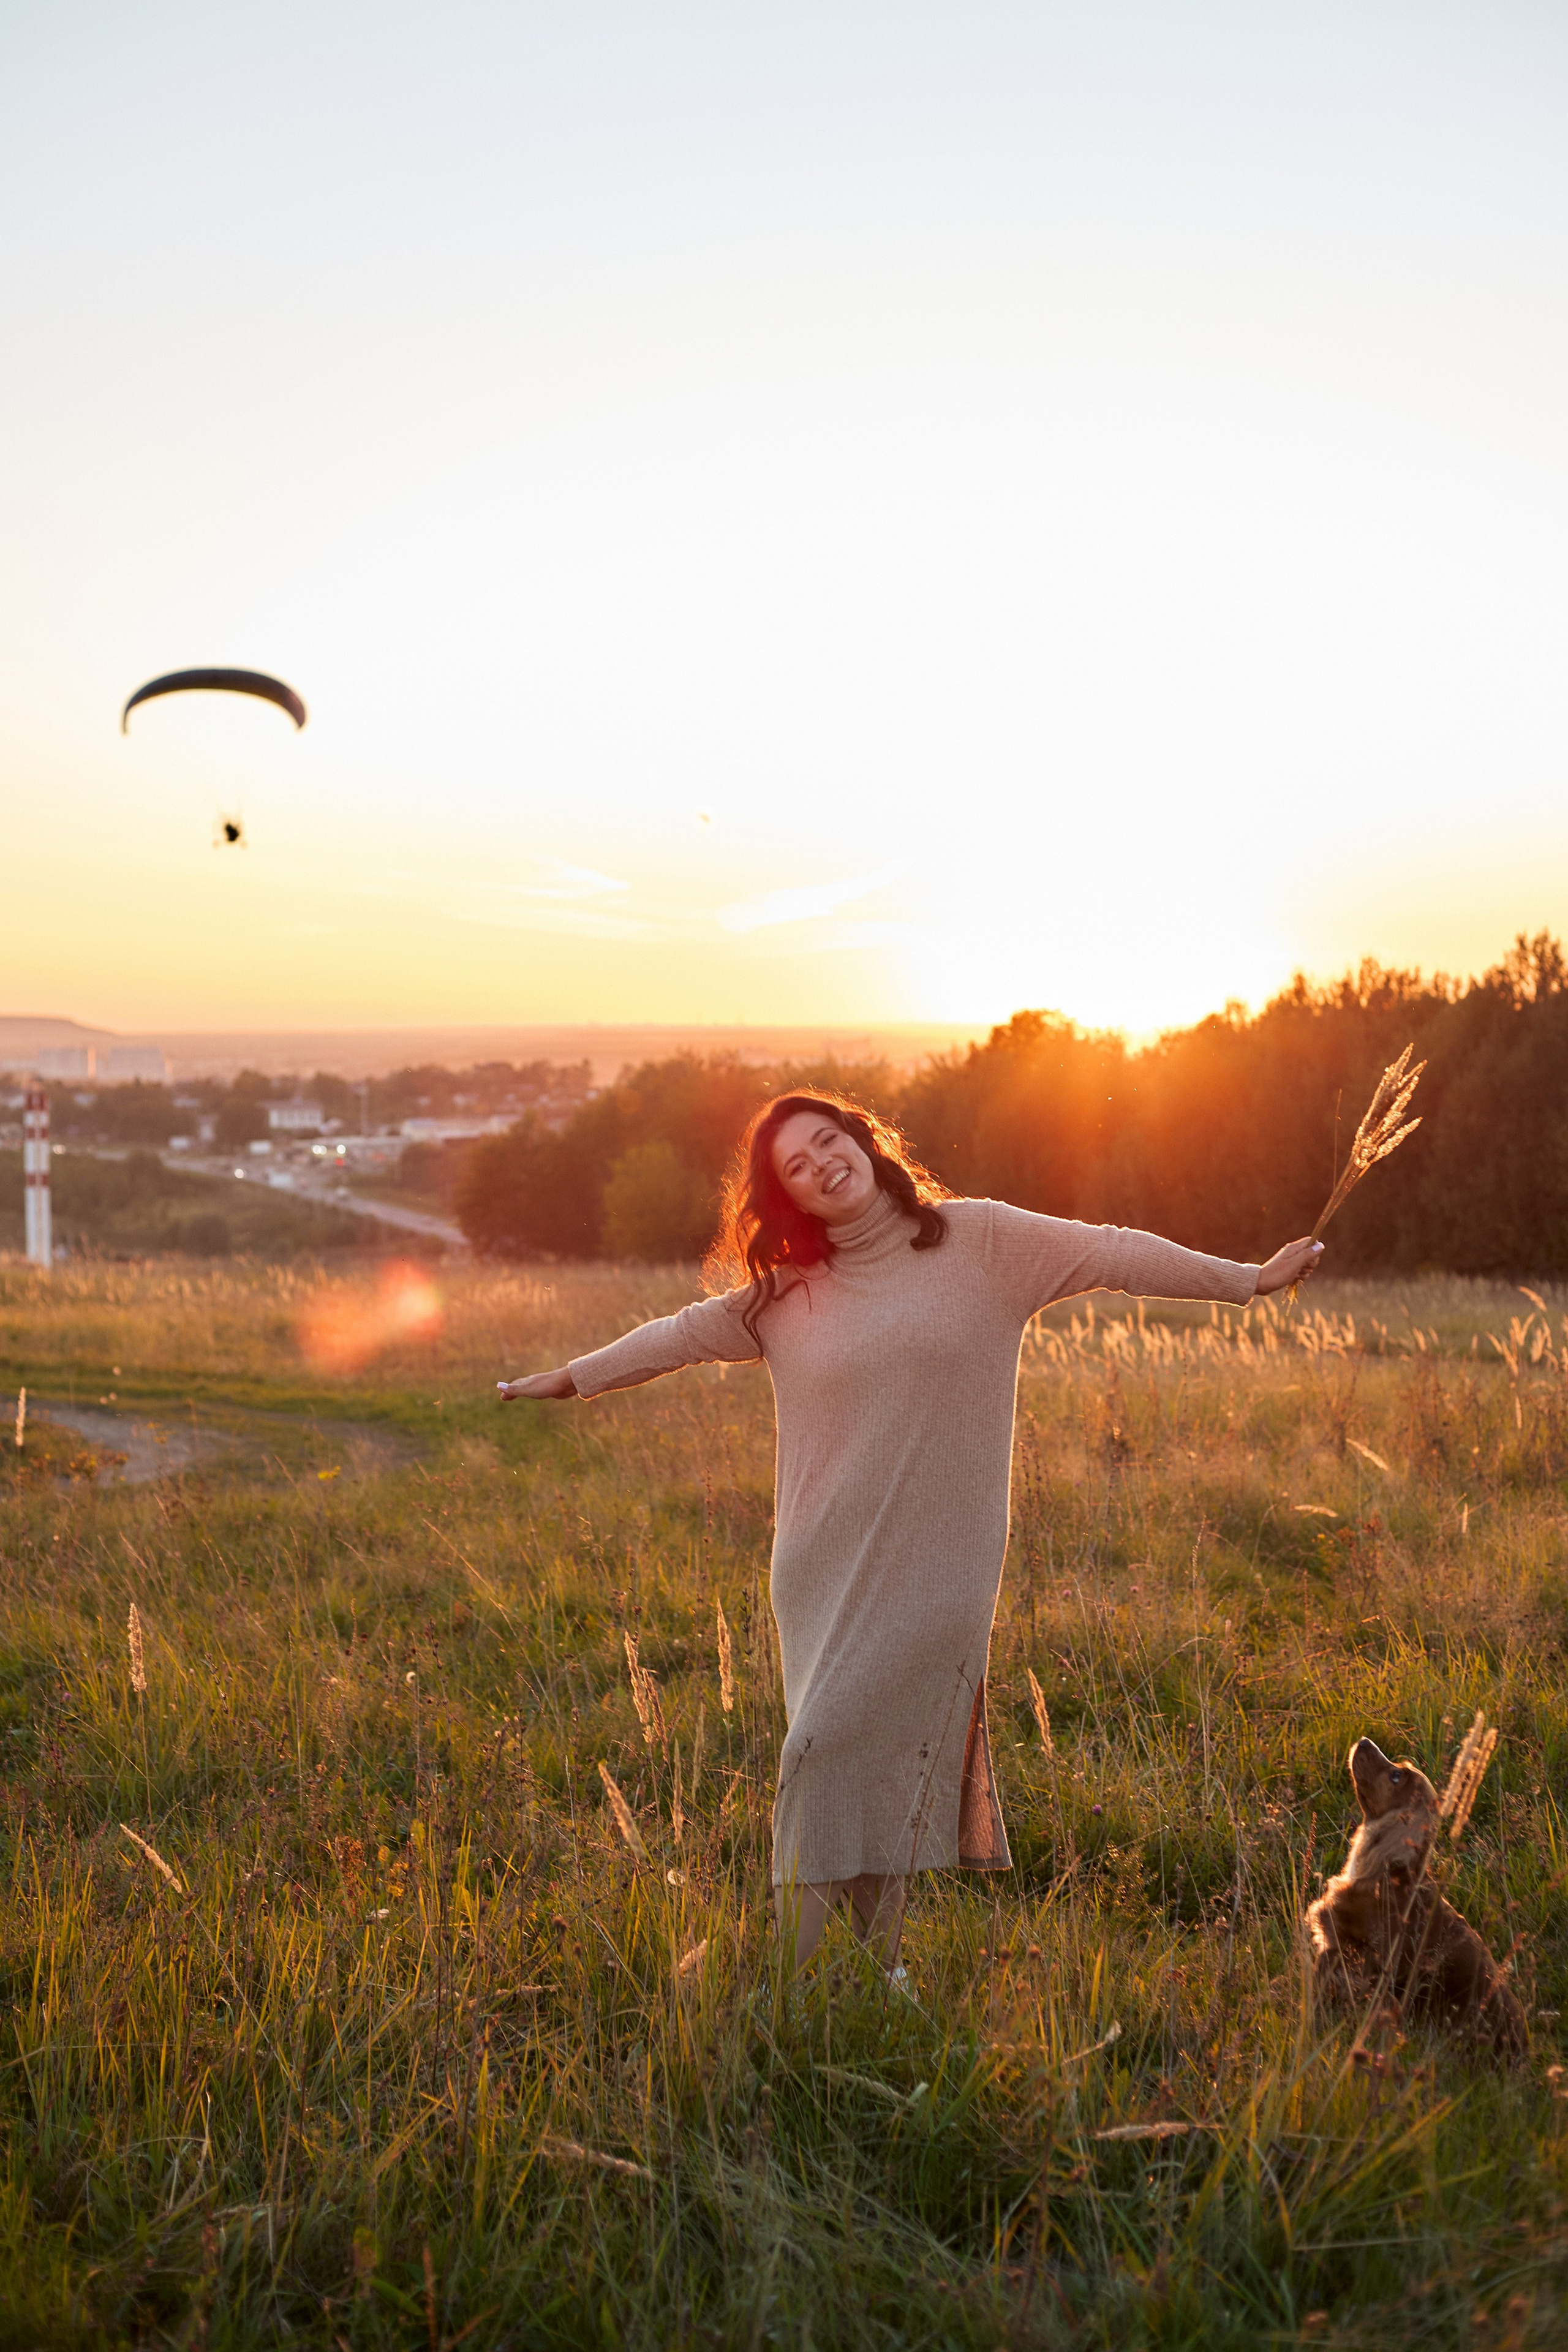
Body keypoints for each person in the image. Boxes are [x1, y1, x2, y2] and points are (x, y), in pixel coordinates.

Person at [498, 1092, 1323, 1985]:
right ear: (788, 1197)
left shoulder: (983, 1241)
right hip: (819, 1566)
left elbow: (1111, 1250)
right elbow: (680, 1336)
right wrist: (571, 1378)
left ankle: (795, 2001)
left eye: (828, 1141)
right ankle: (875, 1979)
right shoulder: (787, 1292)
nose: (822, 1165)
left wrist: (1247, 1280)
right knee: (864, 1762)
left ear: (864, 1141)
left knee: (820, 1755)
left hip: (941, 1569)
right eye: (797, 1167)